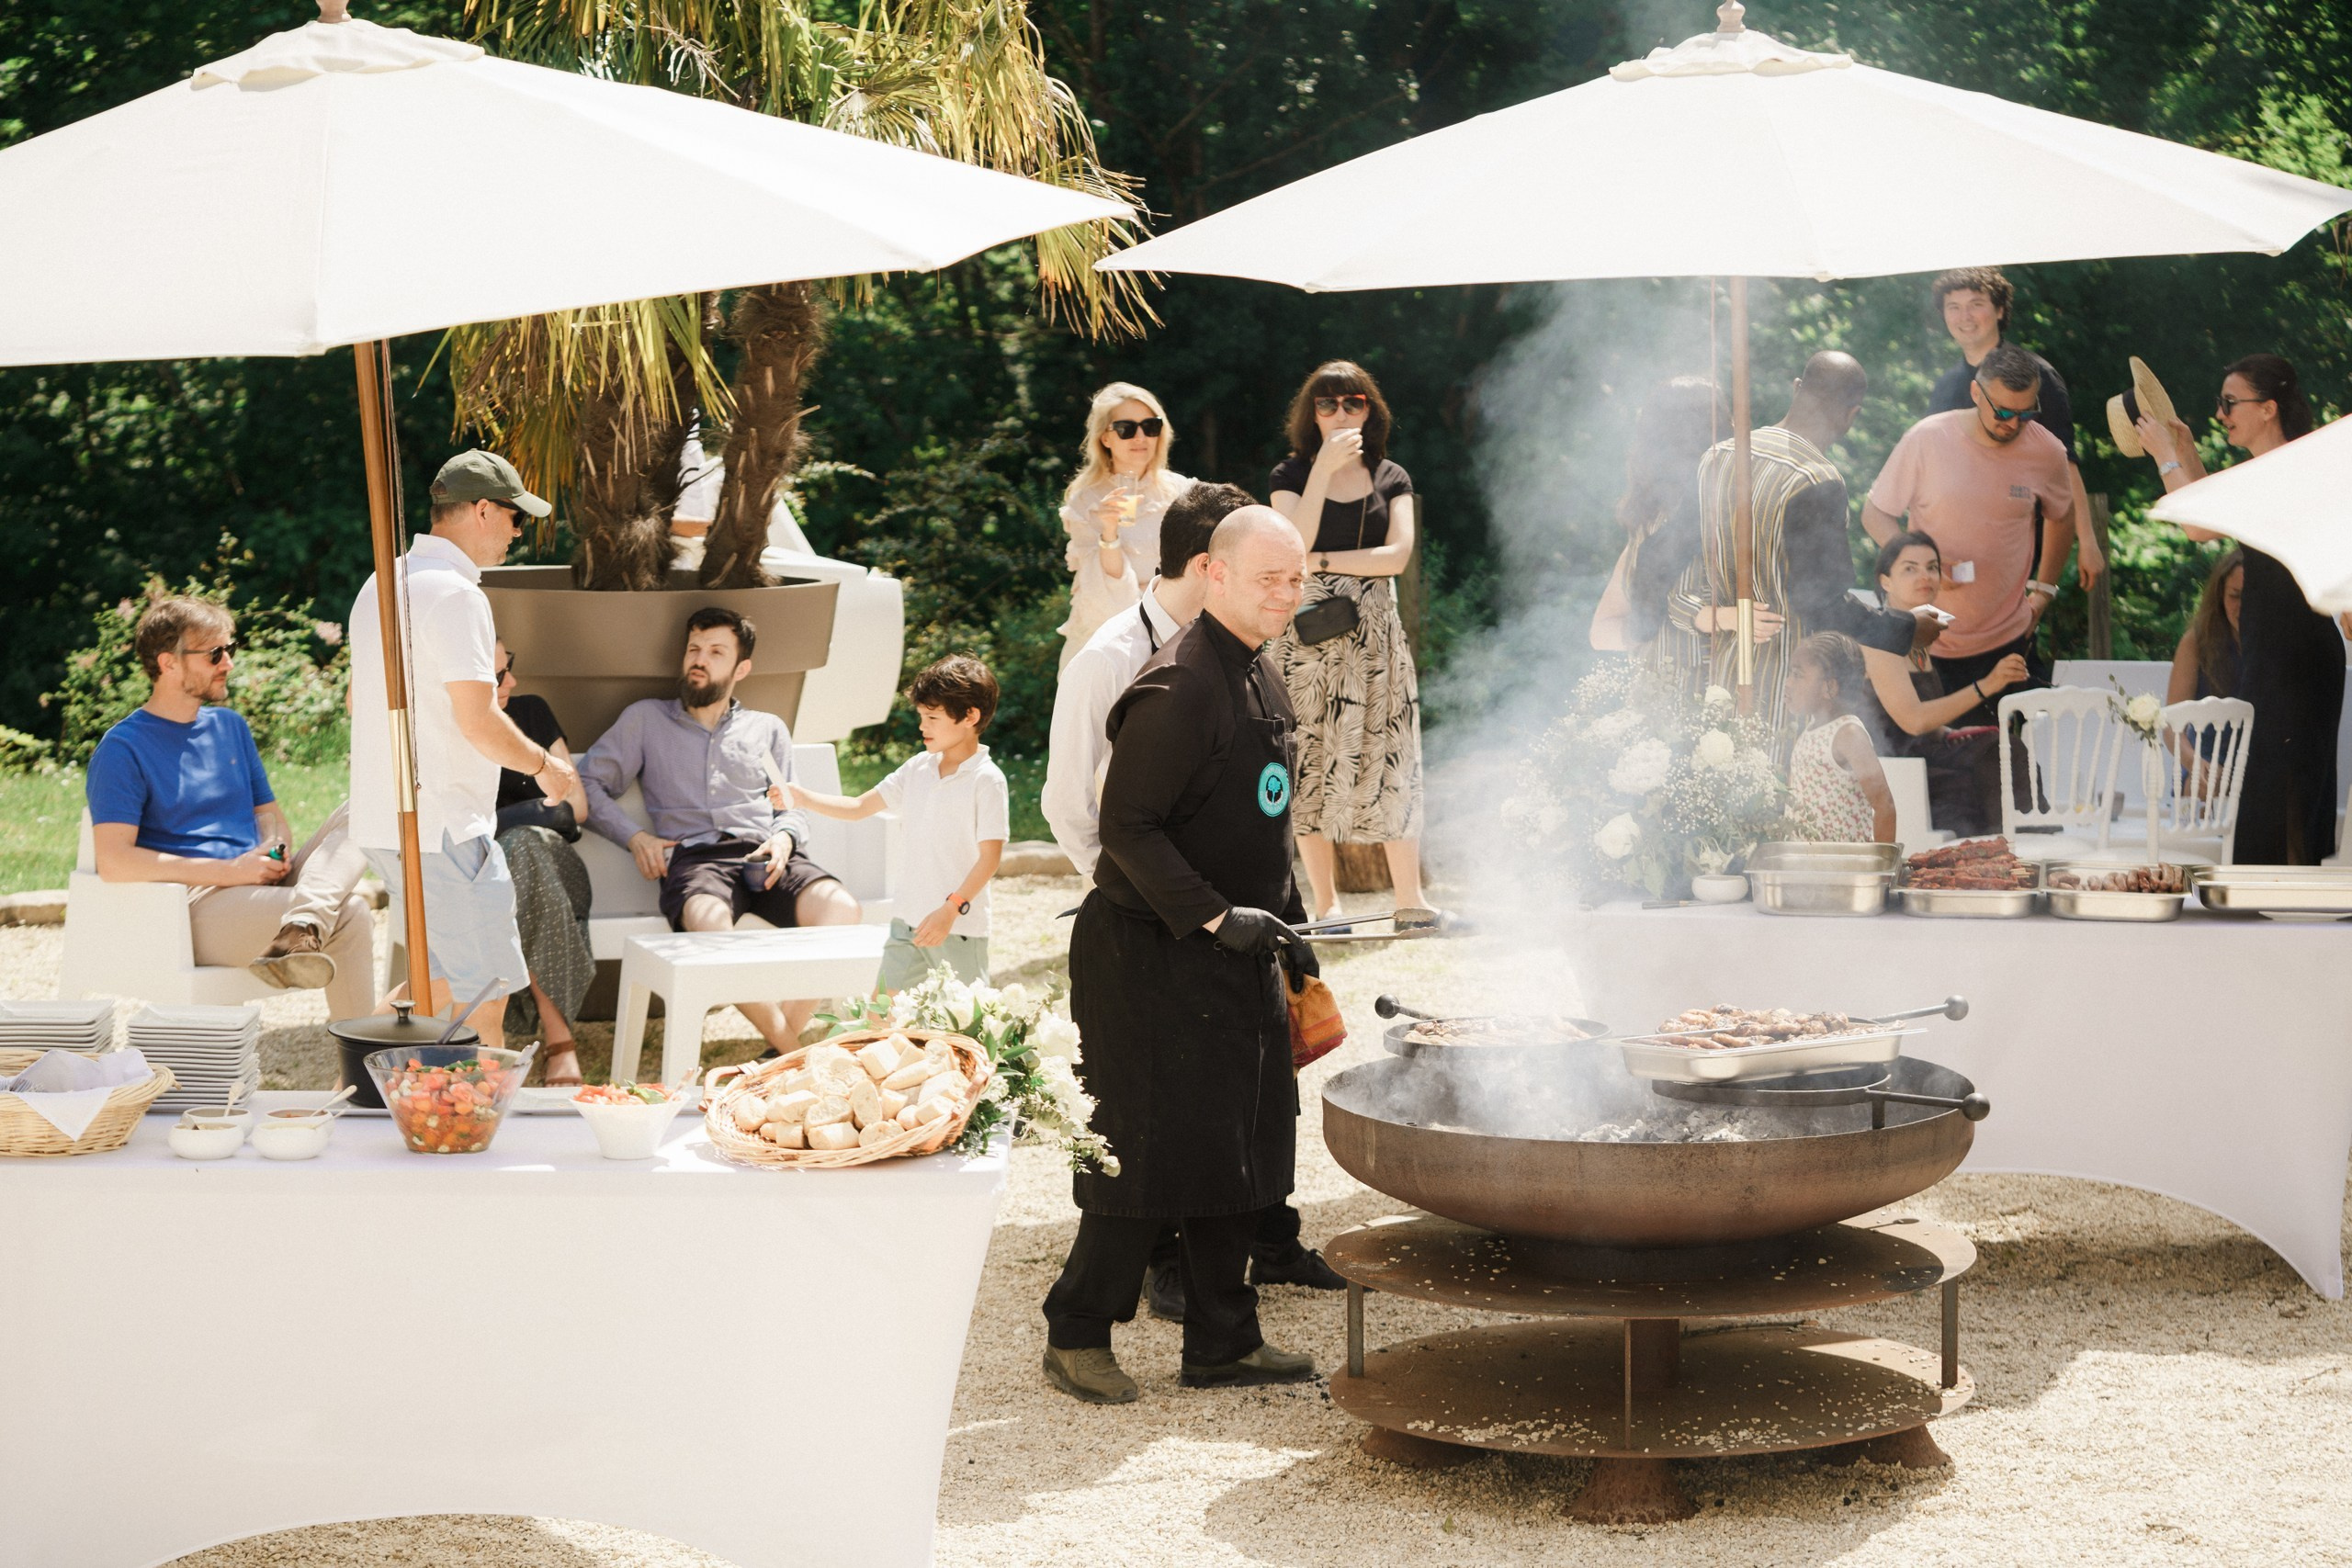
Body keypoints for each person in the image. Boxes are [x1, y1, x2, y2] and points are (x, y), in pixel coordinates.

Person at [1043, 479, 1344, 1326]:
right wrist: (1216, 915)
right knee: (1135, 1161)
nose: (1286, 595)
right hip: (1152, 952)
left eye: (1296, 579)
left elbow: (1263, 817)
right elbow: (1125, 827)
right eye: (1268, 578)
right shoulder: (1177, 684)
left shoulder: (1253, 670)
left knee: (1233, 1151)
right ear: (1212, 573)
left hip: (1236, 952)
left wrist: (1287, 920)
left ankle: (1223, 1339)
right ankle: (1076, 1330)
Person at [350, 451, 573, 1049]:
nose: (517, 531)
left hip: (388, 819)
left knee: (440, 979)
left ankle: (380, 1074)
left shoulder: (379, 583)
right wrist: (546, 768)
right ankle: (484, 1125)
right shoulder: (455, 595)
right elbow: (478, 720)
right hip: (444, 822)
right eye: (513, 517)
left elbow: (357, 702)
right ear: (481, 510)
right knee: (486, 990)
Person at [578, 607, 863, 1049]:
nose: (700, 659)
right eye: (694, 649)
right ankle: (792, 1049)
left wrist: (785, 838)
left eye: (715, 651)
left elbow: (790, 802)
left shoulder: (766, 729)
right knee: (709, 923)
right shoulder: (645, 720)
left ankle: (781, 1042)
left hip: (768, 854)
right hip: (696, 862)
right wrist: (634, 837)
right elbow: (587, 784)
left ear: (740, 668)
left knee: (842, 910)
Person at [86, 594, 375, 1021]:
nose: (229, 663)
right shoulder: (122, 748)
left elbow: (271, 819)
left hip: (260, 883)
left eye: (230, 650)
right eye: (214, 653)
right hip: (199, 906)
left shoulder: (230, 727)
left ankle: (302, 922)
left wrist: (273, 850)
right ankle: (361, 1070)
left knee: (372, 804)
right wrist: (231, 872)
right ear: (168, 663)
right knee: (351, 912)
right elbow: (114, 862)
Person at [2135, 355, 2343, 863]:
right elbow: (2219, 512)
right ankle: (2275, 892)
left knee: (2282, 779)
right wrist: (2186, 451)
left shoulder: (2289, 468)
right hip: (2279, 648)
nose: (2221, 414)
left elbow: (2197, 527)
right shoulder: (2273, 468)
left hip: (2295, 651)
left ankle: (2281, 895)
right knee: (2272, 778)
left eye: (2230, 403)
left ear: (2268, 408)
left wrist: (2165, 457)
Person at [1668, 353, 1928, 744]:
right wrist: (1908, 630)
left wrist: (1720, 617)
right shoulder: (1818, 480)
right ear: (1851, 414)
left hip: (1715, 681)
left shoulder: (1717, 457)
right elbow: (1824, 606)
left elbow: (1673, 577)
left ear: (1796, 388)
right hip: (1784, 692)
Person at [1267, 360, 1426, 921]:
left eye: (1352, 402)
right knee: (1310, 757)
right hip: (1308, 631)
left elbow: (1398, 556)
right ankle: (1327, 904)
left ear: (1370, 408)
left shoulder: (1391, 476)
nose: (1340, 412)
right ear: (1311, 413)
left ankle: (1411, 901)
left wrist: (1323, 561)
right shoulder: (1290, 474)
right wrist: (1321, 473)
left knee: (1394, 754)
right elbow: (1290, 542)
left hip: (1377, 632)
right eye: (1327, 404)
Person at [1043, 480, 1250, 882]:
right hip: (1141, 888)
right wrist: (1117, 883)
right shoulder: (1107, 660)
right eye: (1252, 569)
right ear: (1207, 567)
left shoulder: (1241, 642)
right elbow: (1066, 800)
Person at [1862, 343, 2076, 725]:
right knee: (1936, 775)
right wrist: (1918, 567)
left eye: (2026, 412)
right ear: (1977, 393)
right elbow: (1876, 512)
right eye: (2004, 411)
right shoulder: (1927, 439)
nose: (2013, 423)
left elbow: (2063, 515)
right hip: (1927, 641)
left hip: (2006, 642)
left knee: (2007, 770)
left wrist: (2043, 592)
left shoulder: (2047, 452)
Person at [785, 655, 1008, 994]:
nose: (923, 726)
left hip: (958, 927)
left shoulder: (987, 780)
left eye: (932, 717)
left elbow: (989, 858)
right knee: (880, 1022)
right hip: (908, 922)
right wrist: (802, 798)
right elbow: (859, 807)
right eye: (921, 717)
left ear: (970, 716)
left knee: (968, 1029)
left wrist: (950, 910)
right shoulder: (917, 768)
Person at [1923, 266, 2102, 590]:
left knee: (2009, 632)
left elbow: (2065, 464)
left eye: (1976, 304)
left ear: (2000, 310)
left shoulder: (2036, 377)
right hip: (1953, 546)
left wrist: (2087, 541)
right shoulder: (1945, 388)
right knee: (1954, 632)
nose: (1965, 316)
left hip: (2014, 543)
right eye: (1954, 307)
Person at [1857, 532, 2026, 837]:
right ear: (1886, 581)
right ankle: (1997, 852)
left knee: (2004, 746)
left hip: (1926, 754)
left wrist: (1954, 734)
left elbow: (1929, 725)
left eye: (1932, 567)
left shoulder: (1919, 637)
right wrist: (1988, 684)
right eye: (1910, 568)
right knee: (1988, 761)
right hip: (1899, 770)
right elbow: (1914, 720)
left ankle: (2020, 846)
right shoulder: (1881, 639)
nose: (1925, 576)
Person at [492, 639, 594, 1087]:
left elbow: (578, 804)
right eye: (497, 677)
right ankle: (559, 1041)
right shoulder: (449, 729)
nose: (511, 681)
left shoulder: (532, 711)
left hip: (554, 862)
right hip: (484, 873)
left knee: (524, 847)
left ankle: (556, 1039)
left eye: (509, 668)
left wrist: (502, 824)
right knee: (516, 855)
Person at [1058, 384, 1194, 667]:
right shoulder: (1086, 499)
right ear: (1105, 437)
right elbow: (1107, 600)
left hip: (1173, 638)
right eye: (1126, 428)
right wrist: (1109, 533)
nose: (1141, 437)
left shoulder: (1181, 492)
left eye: (1150, 426)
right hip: (1105, 645)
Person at [1589, 376, 1724, 659]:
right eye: (1724, 419)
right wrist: (1646, 631)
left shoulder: (1727, 510)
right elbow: (1601, 632)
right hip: (1674, 695)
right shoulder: (1652, 524)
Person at [1784, 632, 1895, 844]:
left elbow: (1884, 804)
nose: (1788, 683)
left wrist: (1883, 869)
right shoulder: (1809, 730)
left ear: (1829, 687)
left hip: (1845, 868)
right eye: (1790, 673)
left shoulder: (1848, 734)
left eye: (1798, 675)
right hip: (1808, 867)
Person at [2167, 548, 2244, 705]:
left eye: (2250, 597)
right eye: (2234, 596)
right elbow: (2173, 722)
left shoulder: (2281, 645)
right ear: (2220, 595)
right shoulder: (2196, 641)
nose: (2242, 606)